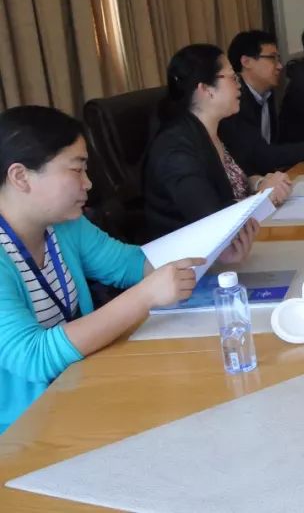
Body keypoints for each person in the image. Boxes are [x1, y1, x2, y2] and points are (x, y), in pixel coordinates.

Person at [0, 106, 257, 432]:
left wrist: (215, 255)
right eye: (76, 169)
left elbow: (134, 265)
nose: (88, 183)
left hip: (80, 388)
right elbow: (33, 357)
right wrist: (144, 297)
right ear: (20, 177)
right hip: (25, 428)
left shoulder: (63, 226)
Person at [144, 45, 292, 239]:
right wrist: (262, 198)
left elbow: (237, 178)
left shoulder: (221, 128)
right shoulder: (175, 150)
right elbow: (210, 219)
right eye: (232, 77)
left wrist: (259, 183)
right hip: (195, 251)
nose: (239, 84)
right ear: (206, 89)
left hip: (241, 239)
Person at [220, 30, 304, 175]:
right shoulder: (235, 101)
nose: (279, 66)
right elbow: (258, 154)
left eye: (278, 59)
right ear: (246, 62)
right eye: (272, 58)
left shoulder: (266, 93)